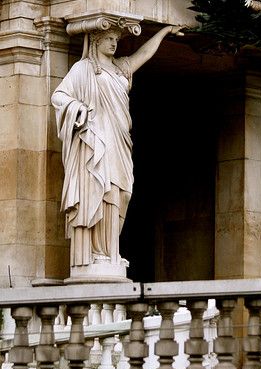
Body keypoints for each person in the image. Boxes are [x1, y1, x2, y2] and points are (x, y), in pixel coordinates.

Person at [52, 24, 183, 273]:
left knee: (123, 193)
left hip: (120, 139)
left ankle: (111, 250)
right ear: (96, 41)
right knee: (104, 190)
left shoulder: (121, 69)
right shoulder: (85, 69)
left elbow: (144, 55)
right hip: (97, 140)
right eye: (108, 38)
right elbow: (59, 96)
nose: (113, 43)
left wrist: (164, 32)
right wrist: (78, 108)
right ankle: (97, 253)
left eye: (115, 39)